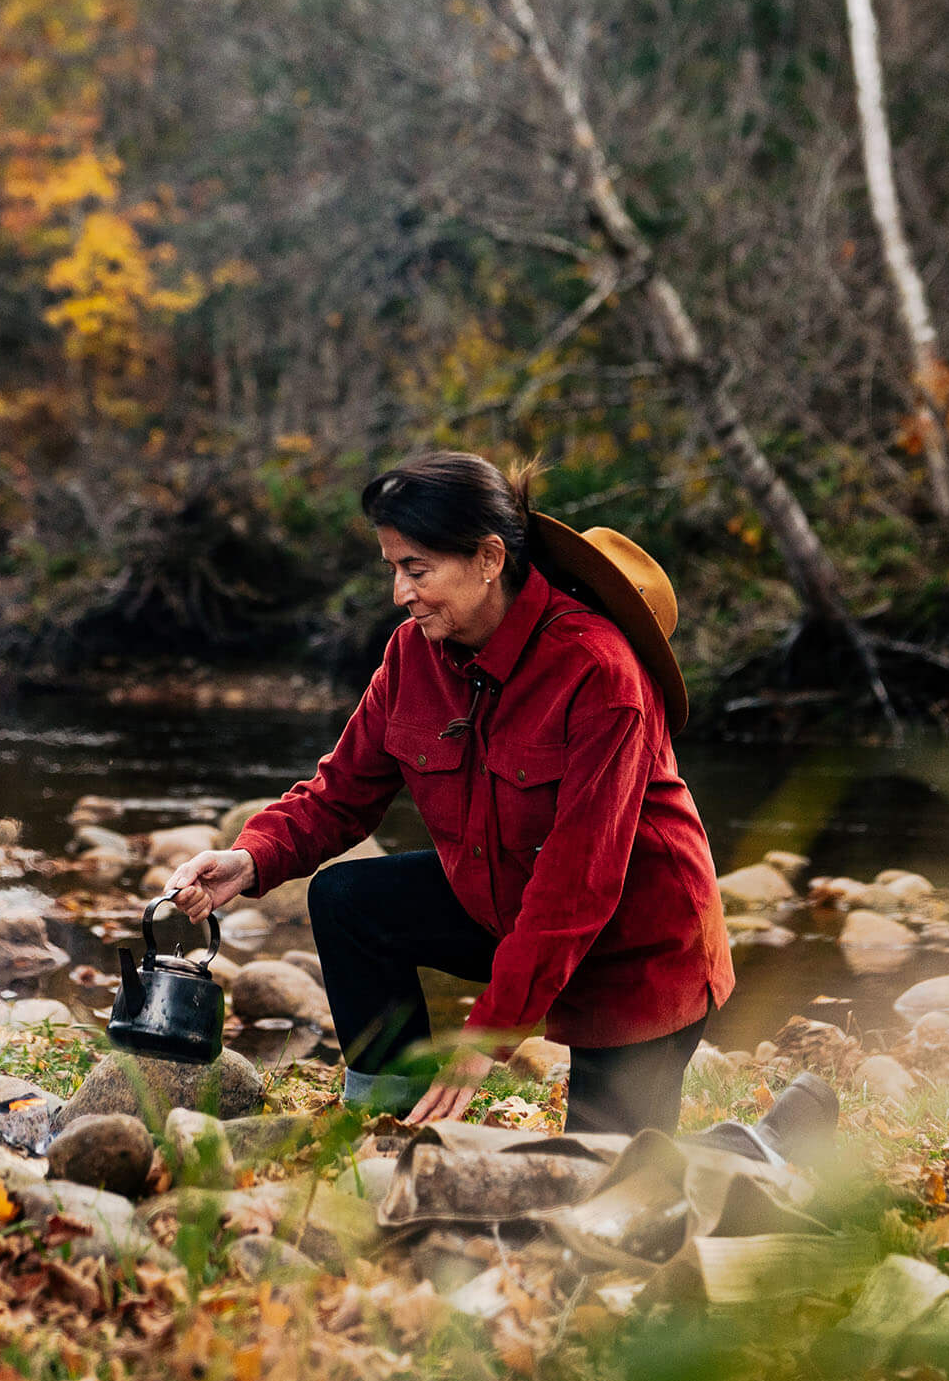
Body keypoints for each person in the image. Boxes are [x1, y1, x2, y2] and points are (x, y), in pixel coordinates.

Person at [166, 452, 732, 1132]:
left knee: (601, 1194)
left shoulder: (598, 671)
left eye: (417, 569)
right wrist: (250, 859)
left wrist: (484, 1040)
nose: (400, 592)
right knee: (349, 901)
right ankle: (387, 1115)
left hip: (637, 951)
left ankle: (769, 1147)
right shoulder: (412, 654)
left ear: (489, 558)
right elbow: (339, 792)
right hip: (510, 907)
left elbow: (579, 884)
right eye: (393, 568)